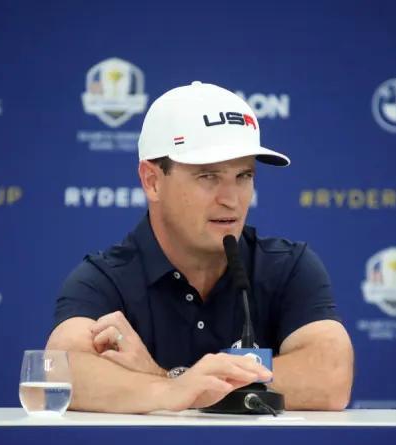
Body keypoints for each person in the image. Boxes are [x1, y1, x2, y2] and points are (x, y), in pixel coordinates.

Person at [46, 81, 353, 413]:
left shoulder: (287, 266)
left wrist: (169, 379)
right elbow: (60, 373)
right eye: (208, 176)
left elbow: (330, 375)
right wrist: (178, 388)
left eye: (244, 176)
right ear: (152, 181)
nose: (231, 199)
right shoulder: (105, 279)